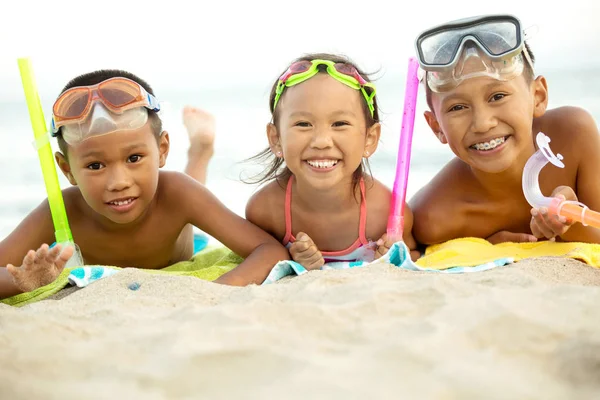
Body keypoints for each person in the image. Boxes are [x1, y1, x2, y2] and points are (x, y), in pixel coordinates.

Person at [0, 69, 289, 299]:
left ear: (162, 150)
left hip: (183, 239)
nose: (119, 182)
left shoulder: (177, 191)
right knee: (169, 193)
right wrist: (22, 281)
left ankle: (200, 151)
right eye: (95, 166)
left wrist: (213, 292)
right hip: (166, 206)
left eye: (134, 157)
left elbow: (270, 250)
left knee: (185, 190)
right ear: (67, 169)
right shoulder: (61, 209)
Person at [410, 14, 600, 245]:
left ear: (537, 96)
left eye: (497, 96)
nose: (482, 123)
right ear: (436, 126)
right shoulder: (435, 217)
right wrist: (484, 246)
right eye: (458, 107)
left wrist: (570, 224)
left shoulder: (574, 136)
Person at [245, 53, 419, 271]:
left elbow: (414, 253)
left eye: (339, 123)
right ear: (276, 138)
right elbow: (262, 254)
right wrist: (292, 258)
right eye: (303, 124)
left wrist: (391, 258)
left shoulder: (385, 212)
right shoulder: (266, 210)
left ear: (370, 139)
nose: (321, 141)